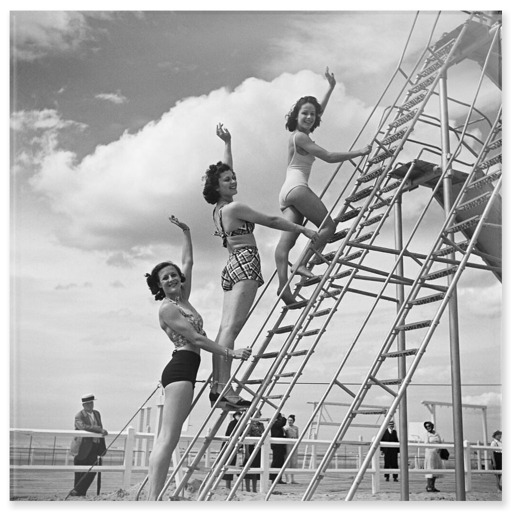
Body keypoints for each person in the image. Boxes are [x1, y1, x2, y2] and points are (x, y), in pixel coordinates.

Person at [203, 125, 319, 407]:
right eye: (227, 180)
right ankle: (225, 390)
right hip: (245, 264)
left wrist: (228, 143)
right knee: (231, 330)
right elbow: (273, 221)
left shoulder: (218, 209)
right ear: (217, 187)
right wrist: (302, 230)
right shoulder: (234, 208)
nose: (232, 181)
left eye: (234, 178)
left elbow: (223, 170)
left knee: (223, 330)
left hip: (231, 266)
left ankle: (219, 387)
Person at [144, 216, 252, 501]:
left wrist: (187, 232)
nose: (171, 278)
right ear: (159, 285)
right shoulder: (168, 309)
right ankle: (153, 499)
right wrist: (231, 352)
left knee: (171, 437)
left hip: (187, 369)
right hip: (180, 368)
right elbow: (198, 340)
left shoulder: (183, 300)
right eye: (164, 277)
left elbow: (188, 263)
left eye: (173, 274)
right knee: (168, 438)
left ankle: (154, 497)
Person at [274, 67, 372, 304]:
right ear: (296, 116)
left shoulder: (300, 134)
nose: (309, 117)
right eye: (304, 114)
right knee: (328, 226)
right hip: (297, 188)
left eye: (312, 115)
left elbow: (318, 112)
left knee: (286, 242)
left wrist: (330, 88)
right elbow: (327, 156)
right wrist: (358, 152)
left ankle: (283, 289)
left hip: (286, 191)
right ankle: (303, 264)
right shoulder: (300, 137)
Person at [68, 393, 108, 497]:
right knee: (79, 472)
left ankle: (77, 491)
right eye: (88, 404)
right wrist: (99, 430)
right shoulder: (79, 416)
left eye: (92, 403)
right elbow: (83, 427)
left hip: (95, 446)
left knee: (93, 470)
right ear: (83, 405)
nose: (90, 405)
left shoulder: (97, 414)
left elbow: (99, 426)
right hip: (82, 448)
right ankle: (79, 493)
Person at [243, 410, 265, 492]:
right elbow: (247, 437)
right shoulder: (249, 424)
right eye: (255, 414)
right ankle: (248, 488)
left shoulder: (261, 425)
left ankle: (255, 488)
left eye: (258, 415)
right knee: (248, 468)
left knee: (256, 468)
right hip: (250, 447)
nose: (257, 416)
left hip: (258, 447)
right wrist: (247, 451)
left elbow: (263, 434)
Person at [222, 411, 242, 489]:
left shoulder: (238, 423)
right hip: (229, 446)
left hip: (233, 446)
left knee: (231, 464)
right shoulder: (233, 423)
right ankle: (228, 486)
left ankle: (228, 486)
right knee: (229, 464)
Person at [423, 421, 443, 492]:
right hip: (430, 453)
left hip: (436, 453)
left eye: (429, 426)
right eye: (426, 426)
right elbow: (426, 444)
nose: (428, 427)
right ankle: (429, 486)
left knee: (435, 471)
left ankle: (432, 486)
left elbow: (440, 442)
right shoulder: (426, 435)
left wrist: (439, 449)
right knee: (430, 470)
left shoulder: (437, 434)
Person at [270, 412, 287, 484]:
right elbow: (282, 423)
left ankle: (278, 478)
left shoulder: (278, 425)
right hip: (277, 446)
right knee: (276, 461)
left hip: (280, 445)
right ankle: (274, 478)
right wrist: (283, 417)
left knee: (280, 462)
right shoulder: (275, 424)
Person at [283, 414, 299, 484]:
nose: (290, 422)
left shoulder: (296, 428)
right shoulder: (285, 428)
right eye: (289, 420)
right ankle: (287, 478)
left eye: (291, 420)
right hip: (287, 445)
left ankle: (292, 478)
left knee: (293, 462)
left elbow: (297, 436)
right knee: (287, 461)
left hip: (294, 445)